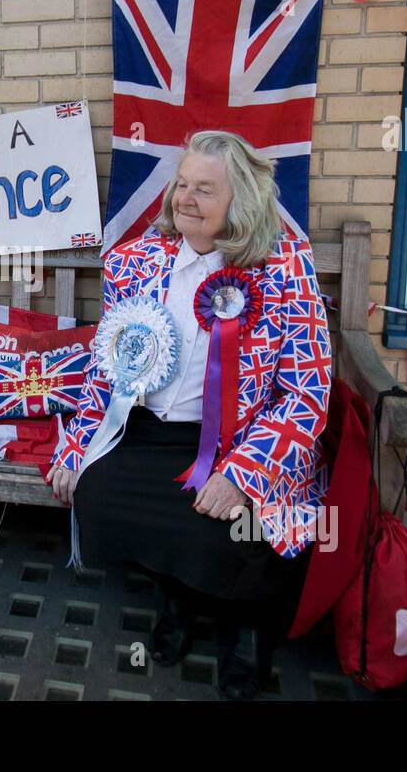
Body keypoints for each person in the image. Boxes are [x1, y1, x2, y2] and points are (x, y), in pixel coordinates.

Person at [46, 130, 332, 699]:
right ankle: (176, 596)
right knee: (101, 491)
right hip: (147, 429)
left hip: (240, 440)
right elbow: (106, 369)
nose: (185, 198)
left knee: (241, 520)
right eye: (182, 184)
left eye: (205, 189)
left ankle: (246, 630)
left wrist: (244, 473)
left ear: (239, 203)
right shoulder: (134, 264)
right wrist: (78, 447)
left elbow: (306, 394)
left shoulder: (284, 270)